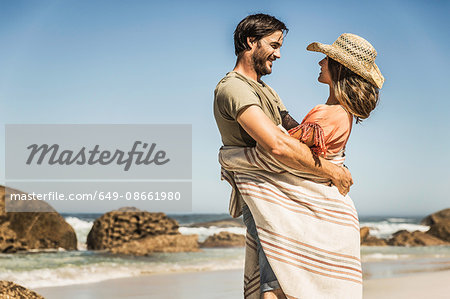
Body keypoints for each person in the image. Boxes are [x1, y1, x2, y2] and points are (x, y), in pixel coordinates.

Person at [214, 14, 354, 299]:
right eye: (274, 45)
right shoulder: (234, 88)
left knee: (288, 286)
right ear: (251, 42)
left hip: (286, 196)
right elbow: (277, 145)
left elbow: (295, 133)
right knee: (276, 288)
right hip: (267, 196)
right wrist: (332, 171)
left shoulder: (267, 91)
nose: (279, 54)